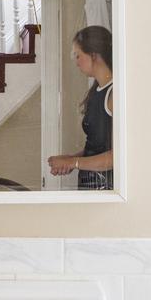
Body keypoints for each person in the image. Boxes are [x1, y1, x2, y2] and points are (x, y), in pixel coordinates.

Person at [49, 25, 115, 190]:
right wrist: (70, 159)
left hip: (106, 190)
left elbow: (117, 156)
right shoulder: (96, 91)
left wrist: (73, 162)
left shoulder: (115, 94)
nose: (76, 62)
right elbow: (96, 147)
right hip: (90, 186)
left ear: (94, 55)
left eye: (78, 55)